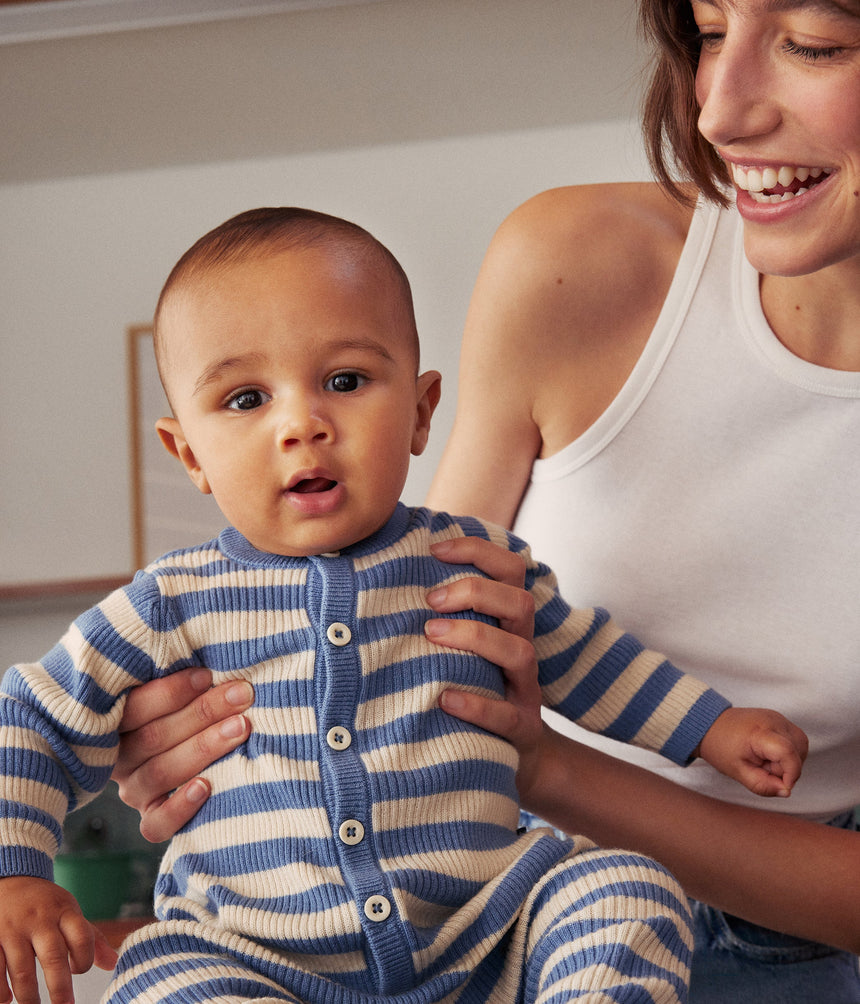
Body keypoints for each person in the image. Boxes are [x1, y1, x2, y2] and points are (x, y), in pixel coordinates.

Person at [109, 0, 860, 1001]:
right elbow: (423, 598)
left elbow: (569, 657)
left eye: (814, 40)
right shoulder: (572, 262)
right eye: (710, 29)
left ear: (415, 408)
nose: (718, 112)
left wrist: (556, 764)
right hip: (480, 907)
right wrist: (168, 729)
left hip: (766, 938)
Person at [0, 207, 807, 1004]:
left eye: (345, 381)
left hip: (489, 938)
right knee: (156, 976)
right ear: (189, 454)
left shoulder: (472, 561)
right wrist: (16, 870)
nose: (301, 424)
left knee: (625, 888)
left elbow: (589, 657)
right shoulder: (165, 604)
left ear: (421, 413)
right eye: (246, 400)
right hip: (256, 957)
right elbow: (32, 719)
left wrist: (711, 728)